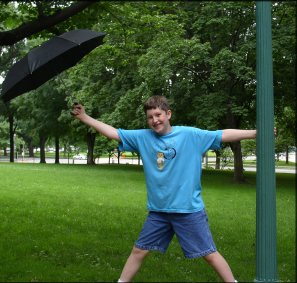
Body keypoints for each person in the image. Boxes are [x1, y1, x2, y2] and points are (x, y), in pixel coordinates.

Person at [71, 95, 257, 282]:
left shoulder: (190, 135)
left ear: (168, 114)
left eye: (158, 115)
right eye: (150, 117)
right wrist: (84, 117)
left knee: (209, 253)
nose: (155, 120)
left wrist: (255, 133)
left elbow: (222, 134)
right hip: (159, 212)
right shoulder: (143, 137)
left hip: (187, 210)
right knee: (139, 250)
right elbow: (113, 133)